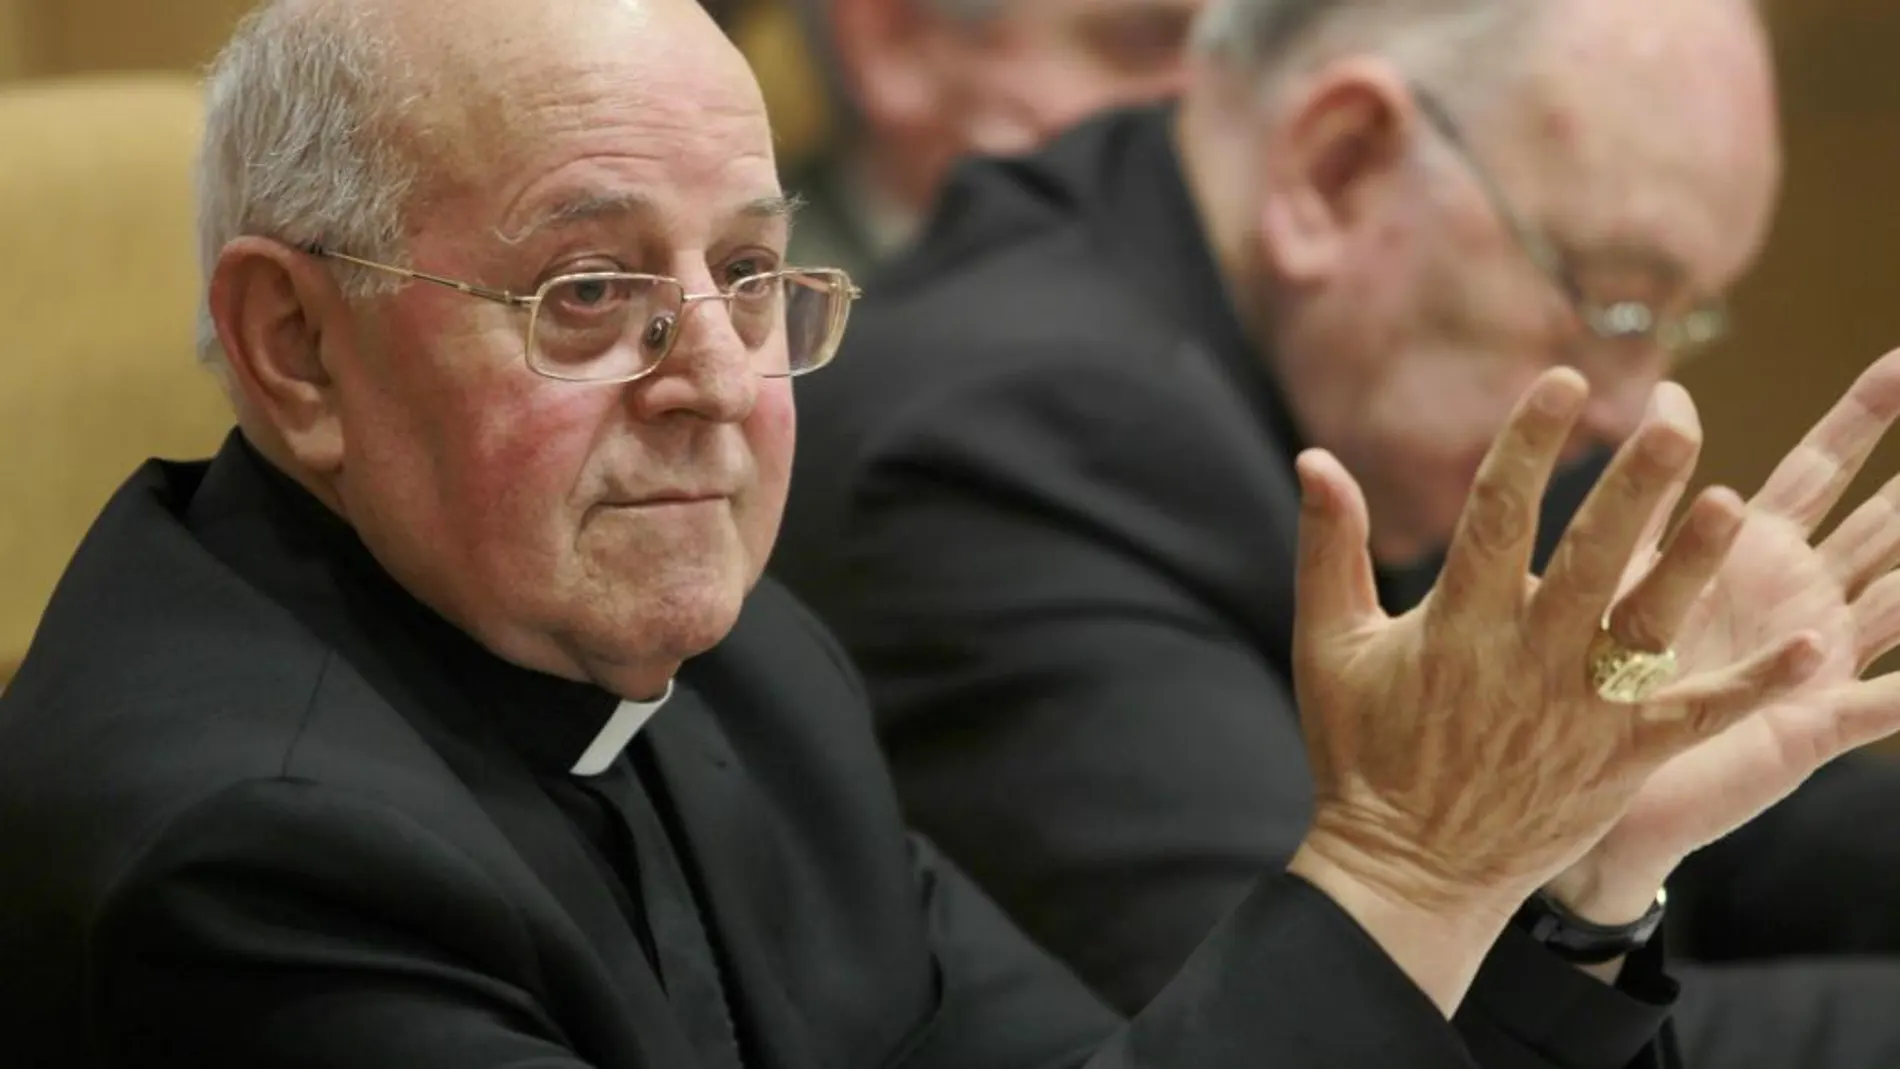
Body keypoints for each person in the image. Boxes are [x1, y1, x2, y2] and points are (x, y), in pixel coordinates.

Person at [0, 0, 1891, 1066]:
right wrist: (1410, 864)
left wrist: (1574, 887)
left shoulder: (736, 668)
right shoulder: (249, 860)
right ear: (295, 348)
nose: (719, 380)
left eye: (752, 276)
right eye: (589, 294)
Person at [771, 0, 1900, 1058]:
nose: (1630, 402)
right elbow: (1341, 1023)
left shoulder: (1410, 393)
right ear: (1338, 165)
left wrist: (1618, 848)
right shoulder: (1003, 441)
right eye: (1612, 299)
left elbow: (1755, 833)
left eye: (1673, 321)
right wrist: (1569, 884)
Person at [783, 0, 1200, 275]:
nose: (1208, 101)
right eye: (1139, 44)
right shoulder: (768, 358)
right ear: (894, 44)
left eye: (1227, 49)